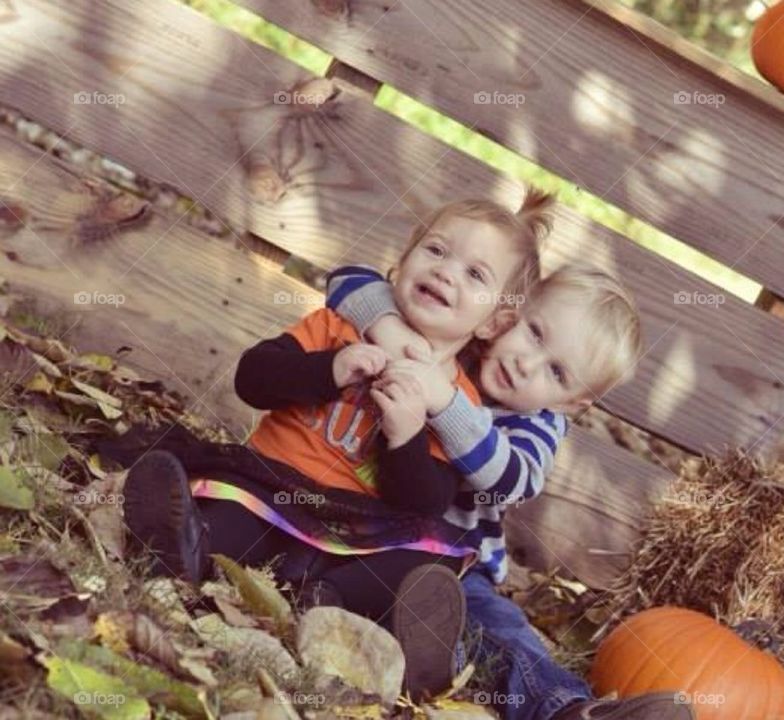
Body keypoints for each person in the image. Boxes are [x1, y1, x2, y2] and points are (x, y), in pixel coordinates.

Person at [121, 189, 549, 699]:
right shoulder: (338, 327)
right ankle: (184, 544)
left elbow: (425, 503)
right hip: (269, 491)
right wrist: (329, 369)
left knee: (422, 564)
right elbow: (252, 378)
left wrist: (407, 435)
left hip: (357, 533)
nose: (445, 272)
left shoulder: (457, 403)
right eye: (435, 250)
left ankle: (332, 607)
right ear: (406, 255)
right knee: (226, 514)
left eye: (475, 274)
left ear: (496, 321)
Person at [328, 265, 688, 719]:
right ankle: (434, 661)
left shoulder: (537, 425)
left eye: (557, 373)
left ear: (570, 404)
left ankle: (564, 709)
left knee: (501, 629)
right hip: (366, 536)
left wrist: (444, 401)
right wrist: (390, 330)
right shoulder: (455, 340)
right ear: (510, 311)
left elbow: (509, 478)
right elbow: (349, 279)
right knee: (396, 599)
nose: (525, 363)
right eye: (535, 333)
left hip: (458, 567)